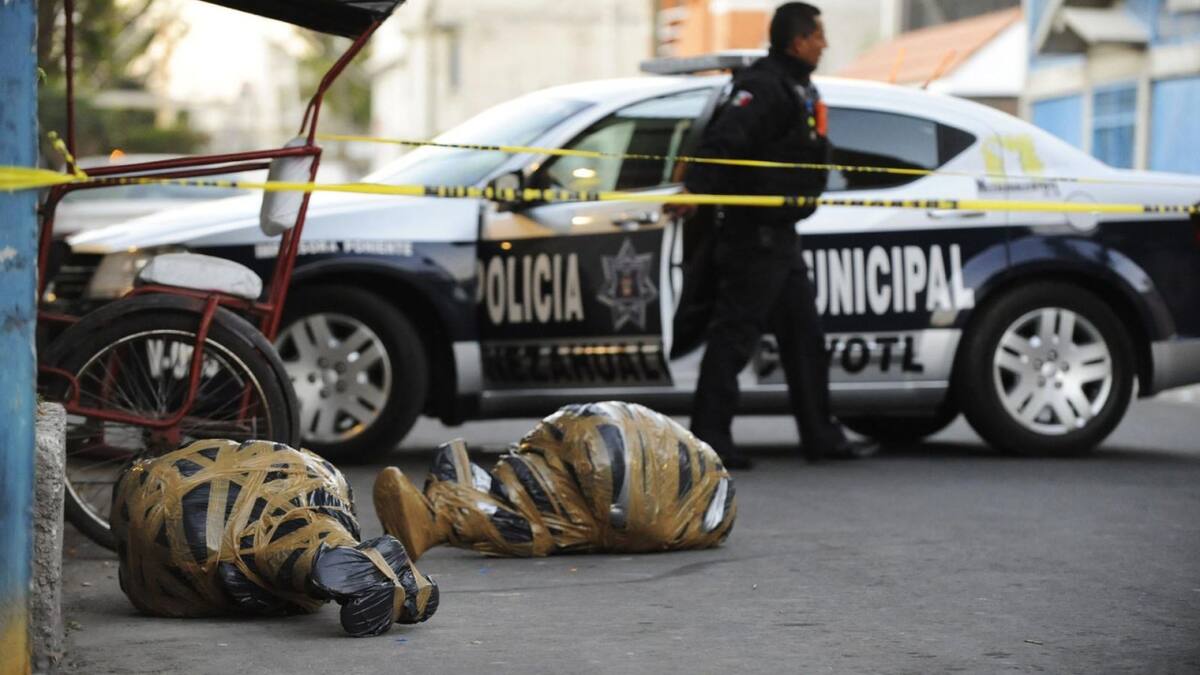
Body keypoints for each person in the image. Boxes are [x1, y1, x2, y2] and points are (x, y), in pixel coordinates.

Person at [669, 2, 877, 469]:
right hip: (753, 237)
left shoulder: (794, 86)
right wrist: (696, 190)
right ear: (798, 40)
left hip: (779, 235)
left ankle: (823, 439)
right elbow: (725, 144)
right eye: (818, 35)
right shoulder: (763, 87)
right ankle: (710, 438)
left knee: (805, 339)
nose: (824, 44)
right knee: (733, 337)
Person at [373, 401, 736, 559]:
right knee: (540, 498)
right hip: (605, 451)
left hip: (611, 457)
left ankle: (443, 516)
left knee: (542, 512)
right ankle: (446, 510)